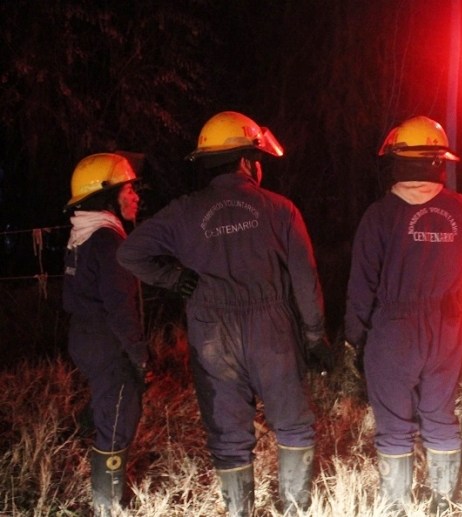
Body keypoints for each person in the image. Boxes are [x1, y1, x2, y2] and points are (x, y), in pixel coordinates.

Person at [117, 111, 331, 516]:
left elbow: (130, 252)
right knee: (293, 424)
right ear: (248, 162)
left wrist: (173, 277)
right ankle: (295, 508)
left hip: (211, 335)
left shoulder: (183, 212)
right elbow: (306, 278)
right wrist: (315, 336)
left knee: (229, 436)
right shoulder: (280, 209)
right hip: (272, 331)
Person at [344, 116, 462, 514]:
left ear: (397, 160)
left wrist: (354, 337)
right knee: (440, 413)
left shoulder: (379, 215)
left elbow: (362, 283)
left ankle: (397, 506)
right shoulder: (460, 208)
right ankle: (443, 502)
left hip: (395, 330)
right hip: (446, 327)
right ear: (438, 161)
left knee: (395, 423)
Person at [62, 153, 148, 515]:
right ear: (107, 196)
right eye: (128, 190)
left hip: (85, 337)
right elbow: (120, 308)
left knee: (107, 409)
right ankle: (108, 506)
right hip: (107, 342)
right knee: (118, 417)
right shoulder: (108, 241)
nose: (136, 196)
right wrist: (140, 355)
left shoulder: (82, 235)